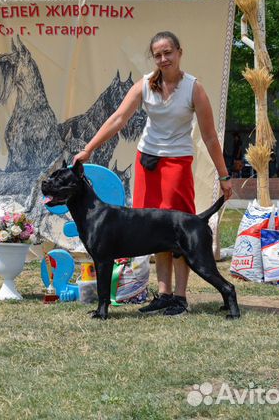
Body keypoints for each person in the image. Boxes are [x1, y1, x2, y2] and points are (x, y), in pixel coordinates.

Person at [73, 31, 232, 316]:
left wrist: (223, 175)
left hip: (177, 163)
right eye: (158, 54)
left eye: (168, 52)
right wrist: (88, 149)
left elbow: (209, 137)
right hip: (147, 163)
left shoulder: (194, 88)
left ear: (179, 52)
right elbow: (118, 119)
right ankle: (164, 294)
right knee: (154, 229)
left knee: (180, 230)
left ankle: (180, 299)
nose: (163, 59)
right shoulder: (145, 84)